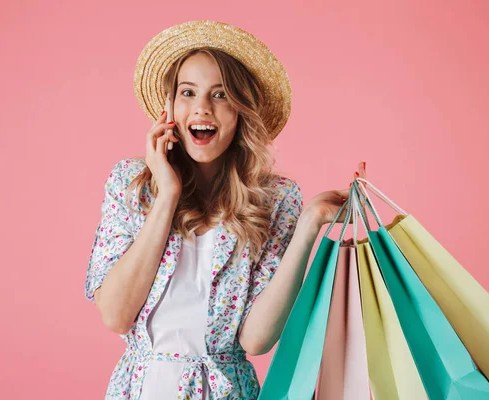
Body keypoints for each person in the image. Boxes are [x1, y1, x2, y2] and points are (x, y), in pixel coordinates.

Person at [84, 20, 367, 400]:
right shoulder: (133, 183)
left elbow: (256, 339)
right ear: (169, 108)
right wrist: (167, 193)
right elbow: (116, 315)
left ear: (240, 111)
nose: (202, 108)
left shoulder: (276, 198)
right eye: (188, 92)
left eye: (220, 95)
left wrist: (310, 224)